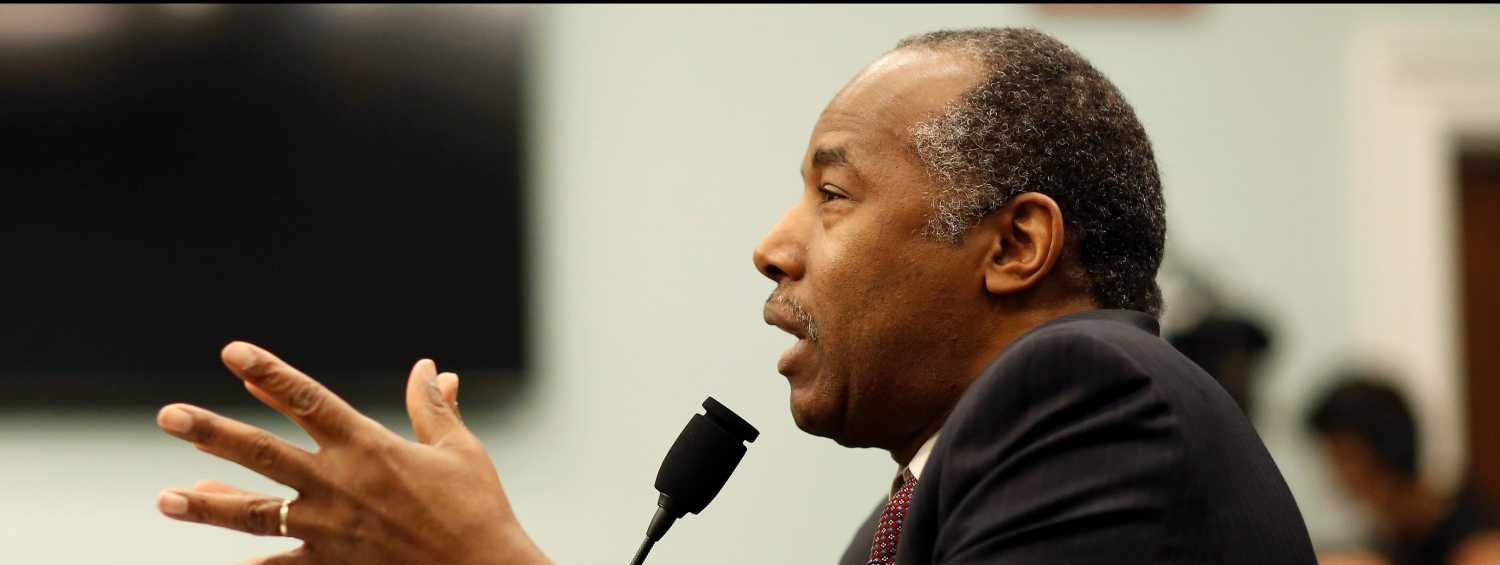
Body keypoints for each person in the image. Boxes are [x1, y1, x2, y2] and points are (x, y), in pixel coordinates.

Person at [153, 27, 1316, 564]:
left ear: (1014, 244)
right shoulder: (911, 510)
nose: (772, 246)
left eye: (832, 195)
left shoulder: (1095, 399)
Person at [1308, 377, 1500, 565]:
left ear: (1380, 454)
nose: (1335, 477)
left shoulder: (1477, 542)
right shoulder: (1393, 537)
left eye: (1344, 460)